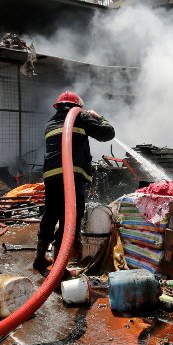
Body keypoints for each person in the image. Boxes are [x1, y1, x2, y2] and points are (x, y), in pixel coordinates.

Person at [34, 91, 115, 272]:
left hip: (52, 177)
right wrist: (97, 116)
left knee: (50, 214)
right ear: (77, 108)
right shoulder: (80, 119)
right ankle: (59, 268)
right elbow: (108, 133)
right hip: (71, 177)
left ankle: (39, 259)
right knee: (69, 218)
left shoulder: (51, 123)